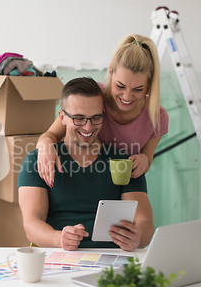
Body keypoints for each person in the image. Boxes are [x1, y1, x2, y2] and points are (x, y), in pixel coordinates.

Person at [17, 77, 154, 251]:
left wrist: (137, 237)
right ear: (62, 117)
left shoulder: (124, 163)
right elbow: (31, 224)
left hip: (111, 260)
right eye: (79, 119)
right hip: (60, 256)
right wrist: (59, 238)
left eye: (95, 118)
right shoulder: (37, 161)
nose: (88, 128)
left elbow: (146, 224)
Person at [37, 34, 169, 187]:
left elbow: (147, 159)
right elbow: (50, 135)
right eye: (120, 86)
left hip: (115, 189)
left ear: (149, 84)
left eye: (138, 89)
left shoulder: (157, 117)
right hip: (73, 179)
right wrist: (45, 146)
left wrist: (144, 161)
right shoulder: (93, 97)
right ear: (111, 73)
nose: (127, 96)